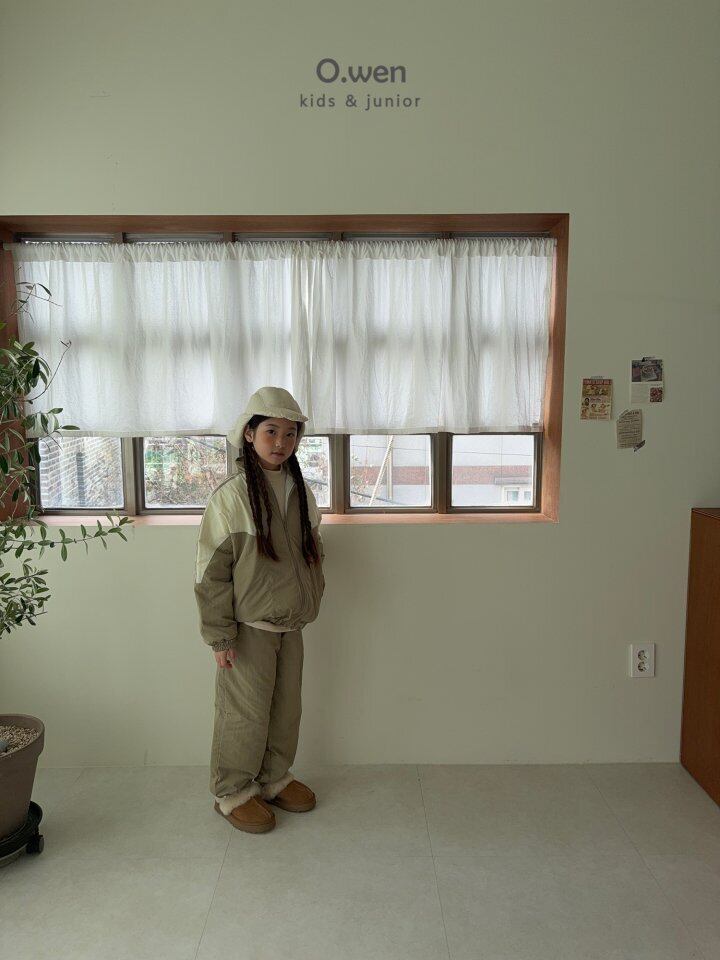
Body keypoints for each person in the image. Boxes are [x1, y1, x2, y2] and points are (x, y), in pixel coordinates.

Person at [194, 386, 326, 833]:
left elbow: (313, 551)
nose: (281, 442)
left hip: (292, 624)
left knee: (286, 709)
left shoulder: (299, 491)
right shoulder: (231, 497)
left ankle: (273, 778)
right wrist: (220, 637)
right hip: (249, 628)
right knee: (244, 714)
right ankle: (232, 792)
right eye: (271, 431)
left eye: (290, 434)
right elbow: (210, 573)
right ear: (249, 434)